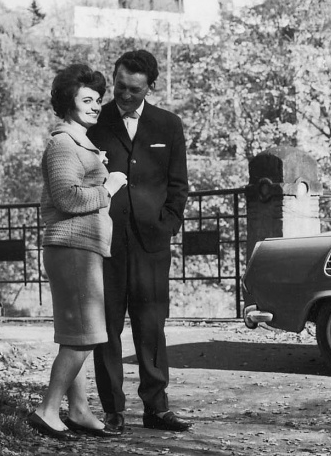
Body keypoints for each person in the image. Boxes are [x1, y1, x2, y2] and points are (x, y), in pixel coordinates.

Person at [87, 49, 191, 433]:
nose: (124, 96)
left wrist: (168, 224)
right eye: (119, 87)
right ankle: (113, 411)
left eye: (133, 89)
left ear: (150, 87)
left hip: (152, 243)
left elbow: (178, 185)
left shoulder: (168, 125)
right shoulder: (95, 124)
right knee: (107, 326)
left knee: (151, 325)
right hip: (105, 240)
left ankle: (157, 408)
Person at [28, 64, 127, 441]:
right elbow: (67, 197)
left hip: (80, 247)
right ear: (67, 103)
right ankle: (48, 409)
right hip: (71, 246)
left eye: (98, 100)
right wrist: (110, 187)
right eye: (87, 99)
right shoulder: (63, 143)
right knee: (86, 333)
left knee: (77, 332)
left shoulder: (79, 141)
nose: (96, 105)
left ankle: (80, 410)